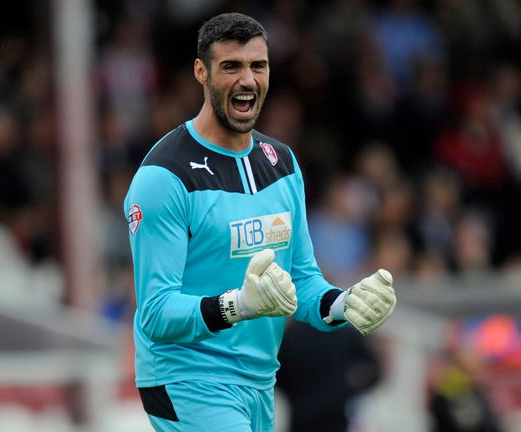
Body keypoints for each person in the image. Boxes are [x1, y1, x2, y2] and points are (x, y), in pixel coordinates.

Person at [123, 13, 397, 432]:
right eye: (231, 66)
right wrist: (240, 304)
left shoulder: (282, 164)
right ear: (201, 72)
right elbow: (156, 313)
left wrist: (346, 304)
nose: (247, 79)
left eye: (258, 66)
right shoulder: (164, 177)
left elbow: (302, 282)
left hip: (259, 383)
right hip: (187, 381)